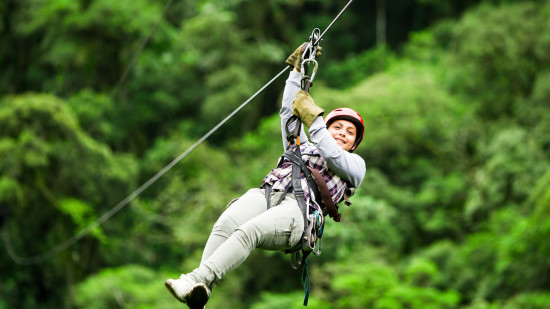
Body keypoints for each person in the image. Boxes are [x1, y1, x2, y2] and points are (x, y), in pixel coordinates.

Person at [165, 43, 366, 309]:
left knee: (250, 231)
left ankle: (194, 279)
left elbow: (330, 154)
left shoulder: (355, 166)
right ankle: (201, 289)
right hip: (270, 193)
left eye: (349, 132)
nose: (342, 133)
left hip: (299, 211)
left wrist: (315, 119)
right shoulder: (302, 145)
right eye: (337, 127)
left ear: (354, 144)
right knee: (227, 222)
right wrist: (296, 72)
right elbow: (288, 113)